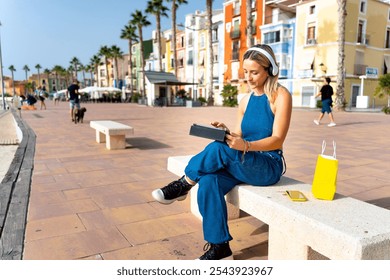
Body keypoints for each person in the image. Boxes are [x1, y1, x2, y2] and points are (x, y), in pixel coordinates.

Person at [151, 44, 292, 260]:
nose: (249, 77)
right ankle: (220, 247)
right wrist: (226, 133)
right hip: (243, 160)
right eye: (245, 72)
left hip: (267, 165)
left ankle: (184, 183)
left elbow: (277, 139)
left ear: (269, 70)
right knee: (208, 182)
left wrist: (244, 146)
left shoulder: (280, 96)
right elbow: (239, 134)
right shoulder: (245, 101)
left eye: (254, 72)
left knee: (218, 150)